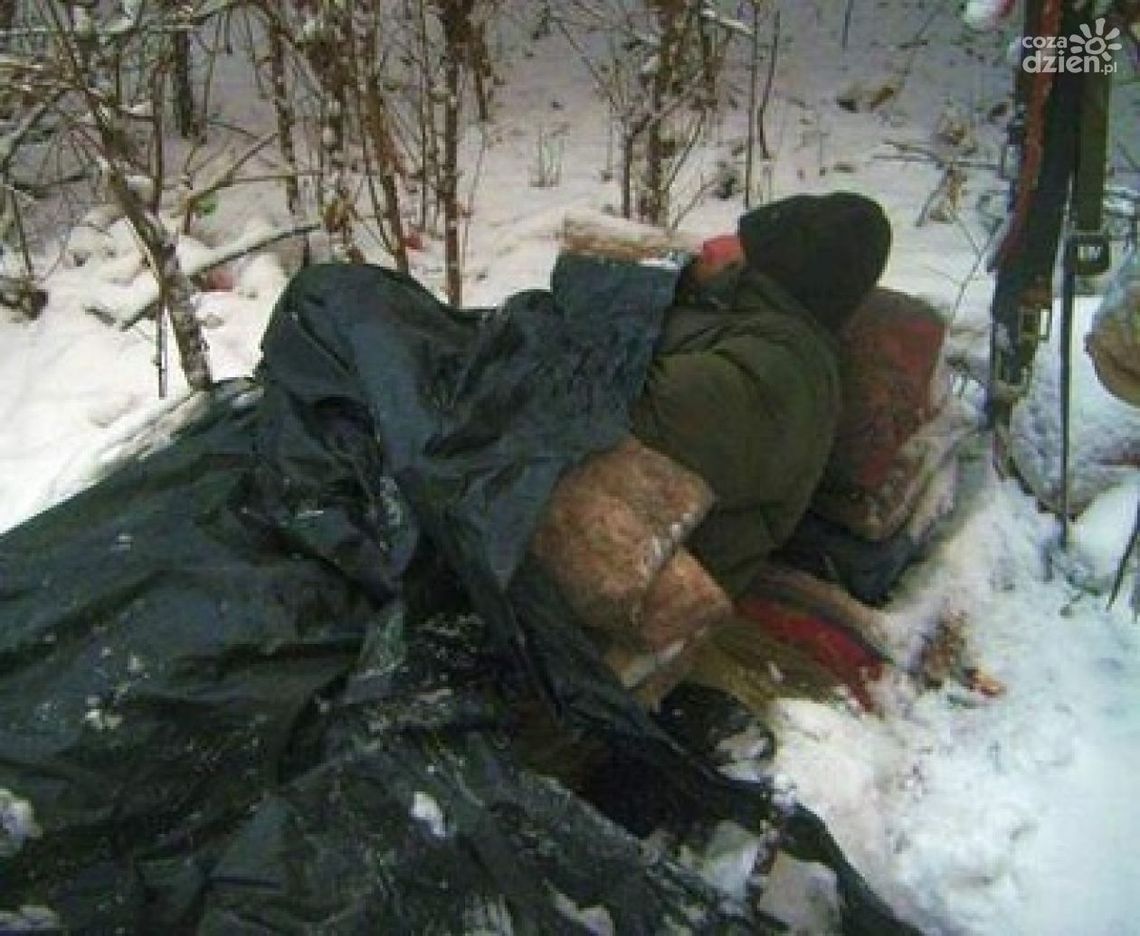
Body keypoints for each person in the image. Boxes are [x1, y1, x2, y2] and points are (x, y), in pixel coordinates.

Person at [628, 192, 893, 599]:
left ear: (766, 268)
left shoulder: (782, 368)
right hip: (612, 527)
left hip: (637, 576)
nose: (710, 242)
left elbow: (628, 411)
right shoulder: (735, 318)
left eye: (737, 237)